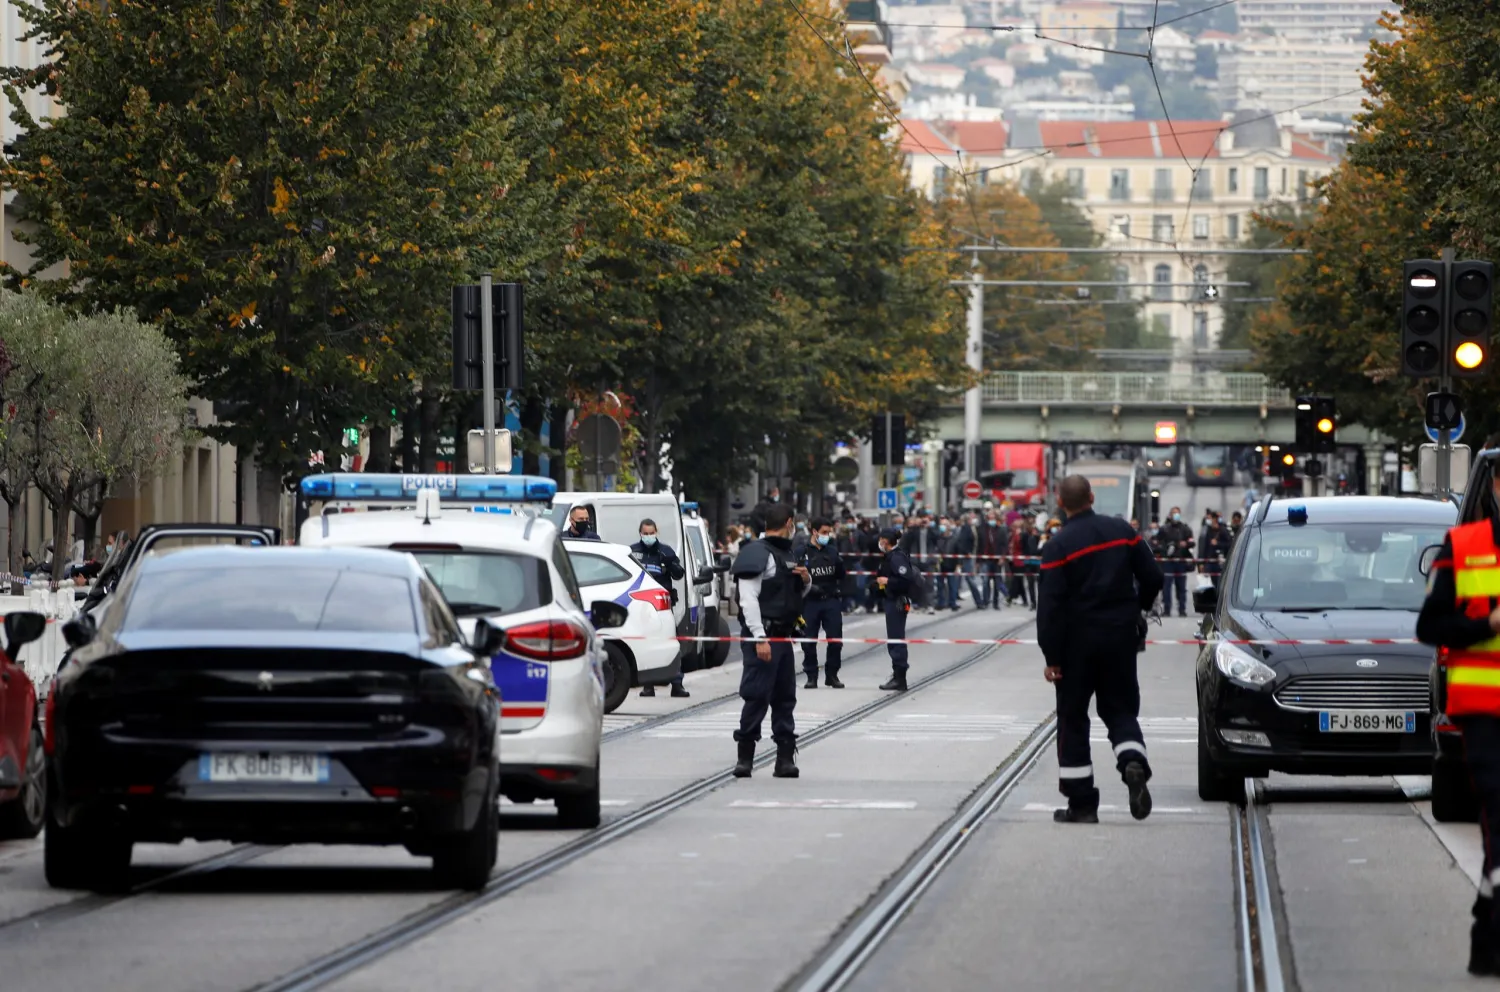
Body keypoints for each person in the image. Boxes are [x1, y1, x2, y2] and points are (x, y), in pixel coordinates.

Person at [1038, 475, 1165, 824]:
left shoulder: (1058, 547)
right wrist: (1136, 610)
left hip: (1076, 645)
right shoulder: (1123, 531)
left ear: (1060, 503)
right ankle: (1132, 762)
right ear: (1092, 497)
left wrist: (1051, 657)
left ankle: (1082, 805)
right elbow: (1154, 576)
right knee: (1121, 710)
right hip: (1120, 638)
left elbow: (1049, 608)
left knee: (1073, 719)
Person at [1417, 465, 1500, 976]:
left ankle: (1486, 924)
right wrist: (1484, 623)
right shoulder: (1465, 545)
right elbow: (1430, 625)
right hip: (1486, 714)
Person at [730, 504, 810, 779]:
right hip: (763, 636)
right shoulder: (756, 552)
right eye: (793, 525)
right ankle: (745, 758)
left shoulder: (787, 554)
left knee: (784, 697)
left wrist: (806, 579)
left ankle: (784, 759)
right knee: (756, 695)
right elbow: (748, 598)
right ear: (789, 522)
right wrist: (759, 637)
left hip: (784, 637)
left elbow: (792, 593)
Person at [633, 519, 689, 698]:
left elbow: (679, 574)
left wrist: (671, 563)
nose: (648, 536)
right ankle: (648, 685)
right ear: (640, 533)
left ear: (657, 532)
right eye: (645, 533)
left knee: (671, 642)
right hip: (642, 606)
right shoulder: (633, 551)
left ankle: (677, 684)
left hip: (663, 605)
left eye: (651, 533)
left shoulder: (665, 551)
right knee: (647, 643)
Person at [796, 518, 847, 689]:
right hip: (810, 601)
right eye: (824, 532)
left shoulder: (832, 551)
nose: (827, 535)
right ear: (814, 532)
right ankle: (811, 675)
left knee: (835, 640)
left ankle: (832, 675)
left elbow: (841, 575)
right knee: (808, 641)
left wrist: (840, 565)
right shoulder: (802, 552)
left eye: (829, 532)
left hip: (831, 600)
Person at [874, 527, 916, 691]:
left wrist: (888, 581)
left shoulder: (896, 557)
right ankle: (898, 674)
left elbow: (906, 580)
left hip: (897, 602)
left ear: (885, 540)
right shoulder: (890, 556)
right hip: (891, 600)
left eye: (880, 540)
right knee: (894, 638)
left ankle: (900, 677)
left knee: (896, 638)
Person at [1152, 506, 1195, 616]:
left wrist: (1186, 544)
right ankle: (1167, 610)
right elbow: (1156, 542)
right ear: (1170, 515)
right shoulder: (1164, 529)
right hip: (1168, 562)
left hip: (1180, 561)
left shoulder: (1185, 529)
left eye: (1177, 513)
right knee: (1166, 587)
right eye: (1174, 513)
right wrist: (1165, 548)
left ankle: (1182, 610)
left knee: (1181, 588)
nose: (1176, 516)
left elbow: (1192, 542)